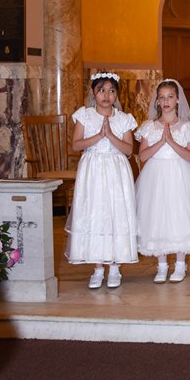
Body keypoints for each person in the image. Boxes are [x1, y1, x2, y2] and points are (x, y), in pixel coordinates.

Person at [65, 72, 138, 289]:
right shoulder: (85, 115)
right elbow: (76, 145)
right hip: (93, 171)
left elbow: (128, 150)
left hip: (116, 170)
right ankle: (97, 267)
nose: (107, 95)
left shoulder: (123, 119)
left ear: (117, 95)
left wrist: (110, 136)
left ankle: (114, 266)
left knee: (115, 214)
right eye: (102, 90)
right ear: (93, 93)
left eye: (112, 91)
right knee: (95, 214)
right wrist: (98, 136)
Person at [134, 79, 190, 283]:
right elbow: (143, 156)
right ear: (157, 101)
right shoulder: (149, 127)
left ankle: (180, 265)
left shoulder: (186, 127)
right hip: (155, 177)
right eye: (162, 97)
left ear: (177, 100)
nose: (166, 101)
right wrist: (160, 142)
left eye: (170, 97)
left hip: (179, 175)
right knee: (157, 217)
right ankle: (162, 265)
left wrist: (171, 142)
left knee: (179, 216)